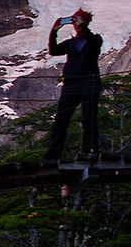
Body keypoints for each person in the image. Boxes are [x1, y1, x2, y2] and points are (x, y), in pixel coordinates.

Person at [44, 8, 103, 159]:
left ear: (85, 21)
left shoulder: (95, 39)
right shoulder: (71, 43)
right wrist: (54, 31)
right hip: (71, 83)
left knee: (88, 117)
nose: (74, 23)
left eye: (77, 19)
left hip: (89, 81)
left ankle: (90, 149)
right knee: (61, 118)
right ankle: (53, 152)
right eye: (74, 20)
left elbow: (92, 44)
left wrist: (82, 25)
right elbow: (54, 50)